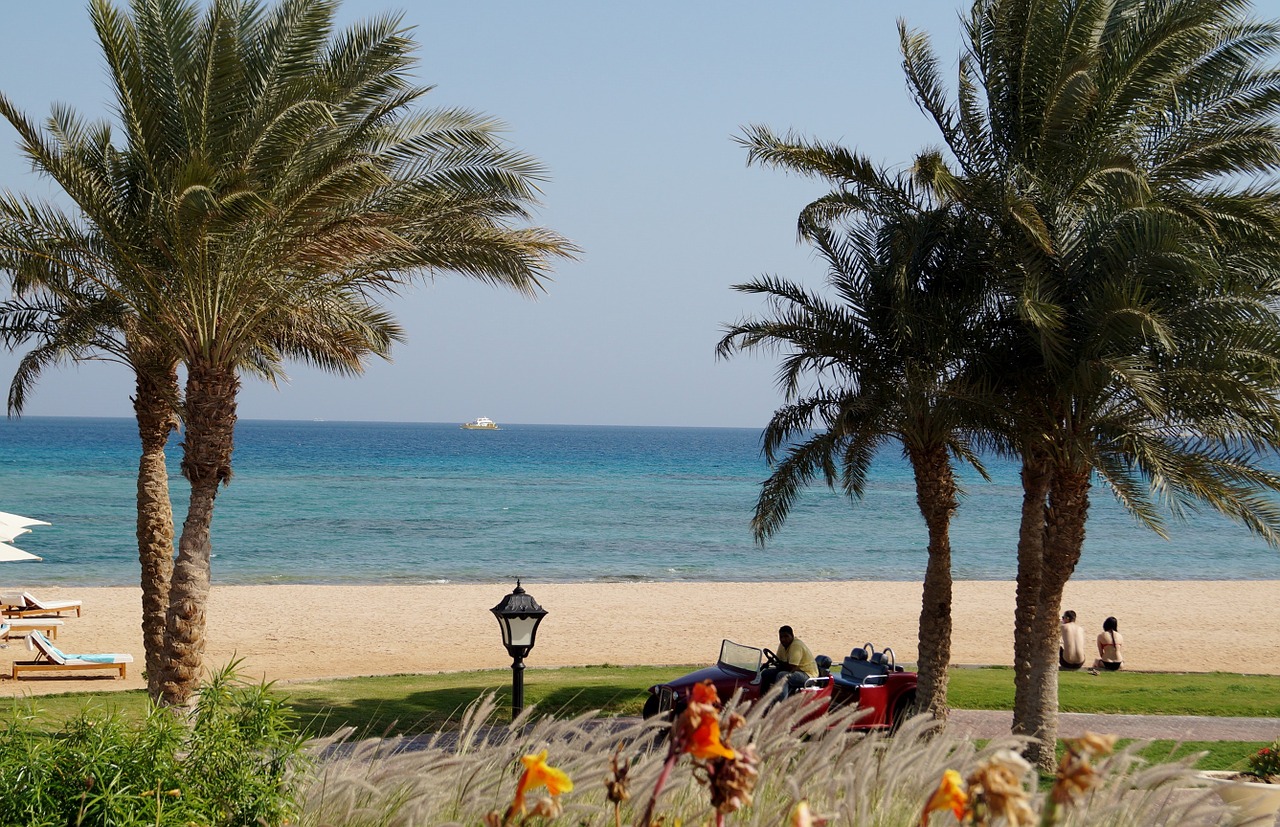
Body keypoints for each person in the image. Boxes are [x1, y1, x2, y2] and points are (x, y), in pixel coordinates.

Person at [758, 625, 819, 700]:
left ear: (792, 636)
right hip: (794, 671)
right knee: (765, 673)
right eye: (781, 637)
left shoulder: (796, 645)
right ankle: (762, 699)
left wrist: (778, 664)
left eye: (786, 636)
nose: (783, 639)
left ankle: (780, 704)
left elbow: (792, 668)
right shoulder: (782, 645)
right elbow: (779, 660)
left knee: (782, 676)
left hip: (807, 674)